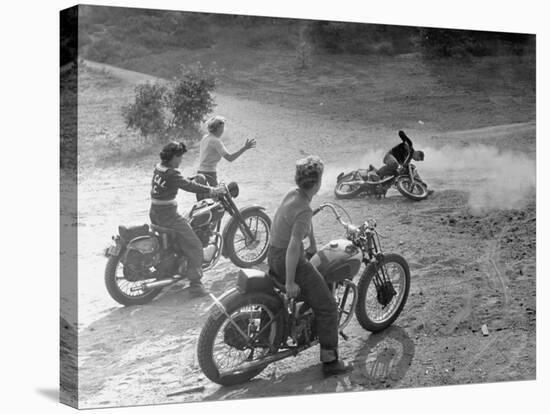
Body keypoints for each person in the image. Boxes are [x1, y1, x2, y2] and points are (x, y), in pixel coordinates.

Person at [267, 155, 353, 377]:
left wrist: (313, 244)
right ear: (316, 183)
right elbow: (295, 244)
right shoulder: (304, 208)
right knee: (328, 307)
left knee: (316, 285)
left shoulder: (294, 195)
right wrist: (289, 281)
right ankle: (331, 362)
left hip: (273, 253)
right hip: (287, 259)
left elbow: (304, 225)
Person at [150, 141, 225, 298]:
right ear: (173, 157)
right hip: (169, 217)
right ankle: (196, 285)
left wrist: (193, 179)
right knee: (196, 245)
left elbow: (181, 182)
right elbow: (188, 186)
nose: (181, 160)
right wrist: (212, 189)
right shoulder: (172, 173)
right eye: (180, 157)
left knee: (188, 224)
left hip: (155, 214)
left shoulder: (159, 168)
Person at [196, 115, 256, 200]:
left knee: (206, 201)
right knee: (220, 199)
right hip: (209, 174)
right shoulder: (216, 141)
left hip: (200, 173)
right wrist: (244, 148)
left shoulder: (205, 138)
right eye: (222, 128)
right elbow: (230, 158)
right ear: (219, 129)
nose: (223, 130)